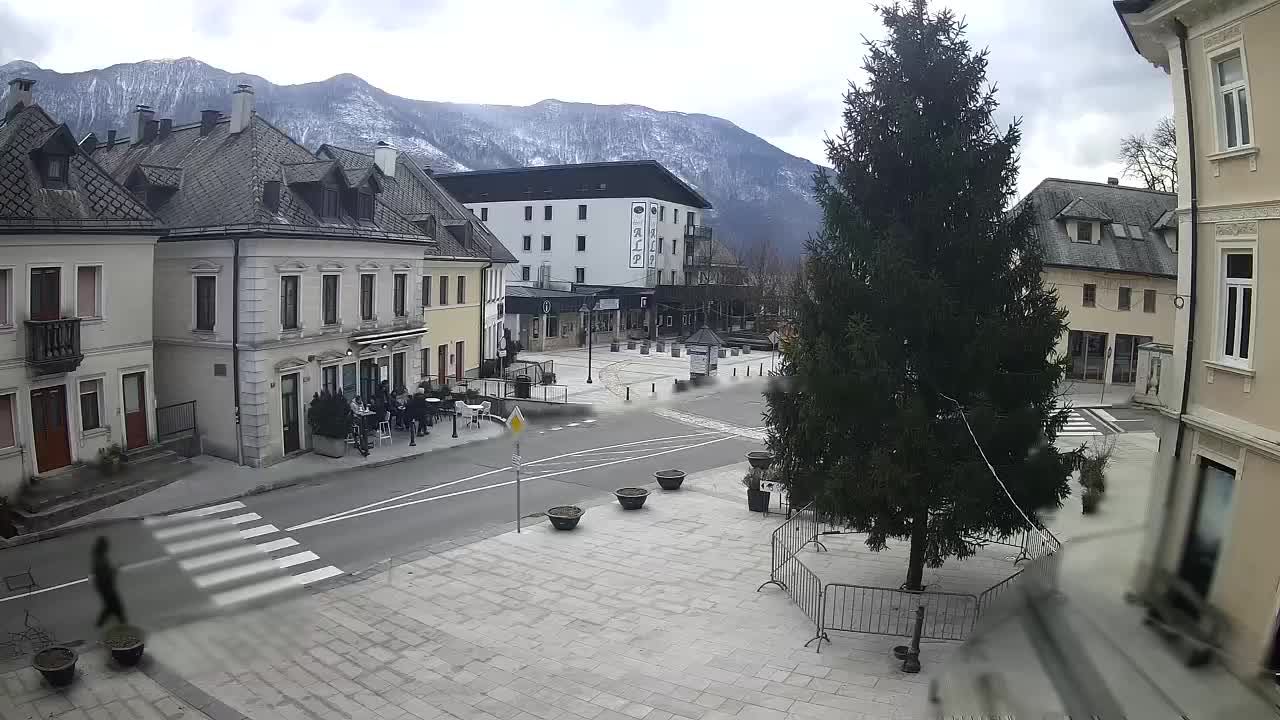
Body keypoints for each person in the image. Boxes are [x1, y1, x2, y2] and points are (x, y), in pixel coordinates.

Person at [92, 536, 127, 627]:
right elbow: (107, 575)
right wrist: (116, 569)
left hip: (102, 586)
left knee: (111, 605)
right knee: (115, 605)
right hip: (107, 587)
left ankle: (101, 622)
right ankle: (123, 622)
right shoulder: (101, 561)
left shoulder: (97, 556)